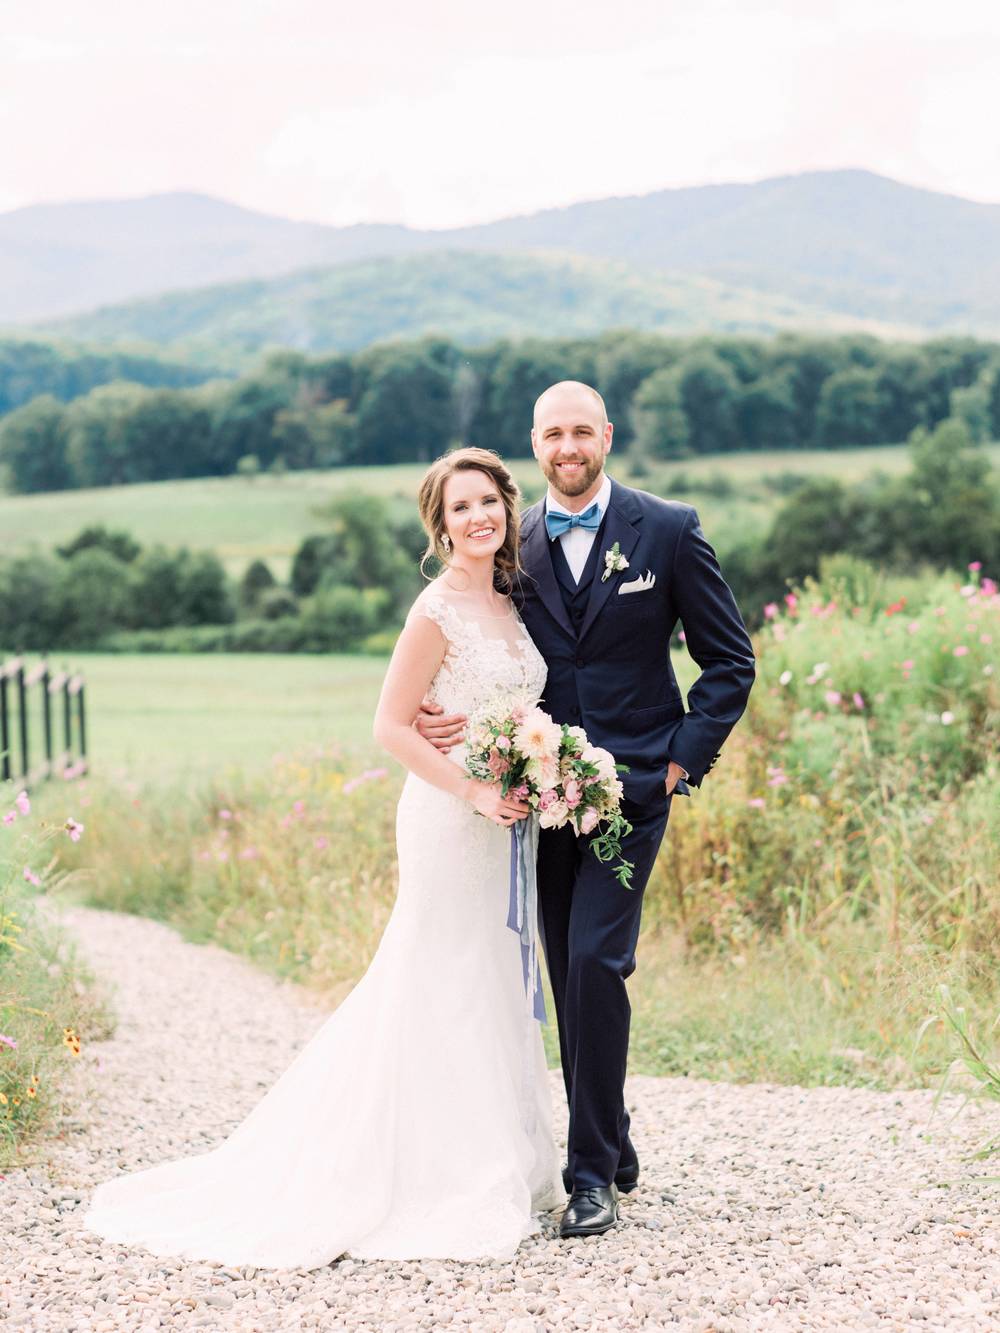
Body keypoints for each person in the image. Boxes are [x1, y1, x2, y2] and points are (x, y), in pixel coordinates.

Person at [81, 447, 564, 1270]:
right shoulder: (434, 610)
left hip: (505, 818)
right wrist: (475, 790)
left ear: (507, 510)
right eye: (460, 507)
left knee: (494, 972)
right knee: (439, 974)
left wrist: (532, 763)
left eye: (489, 501)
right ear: (439, 526)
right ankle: (440, 1171)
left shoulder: (514, 602)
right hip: (451, 819)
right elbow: (389, 725)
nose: (479, 516)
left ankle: (510, 1158)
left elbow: (508, 704)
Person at [417, 382, 756, 1238]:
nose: (567, 446)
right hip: (535, 801)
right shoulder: (511, 541)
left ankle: (591, 1172)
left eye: (581, 430)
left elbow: (729, 661)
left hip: (631, 792)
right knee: (564, 967)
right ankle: (615, 1130)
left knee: (597, 962)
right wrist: (432, 709)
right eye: (551, 434)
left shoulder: (668, 530)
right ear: (535, 445)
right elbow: (463, 634)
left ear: (605, 435)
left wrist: (680, 761)